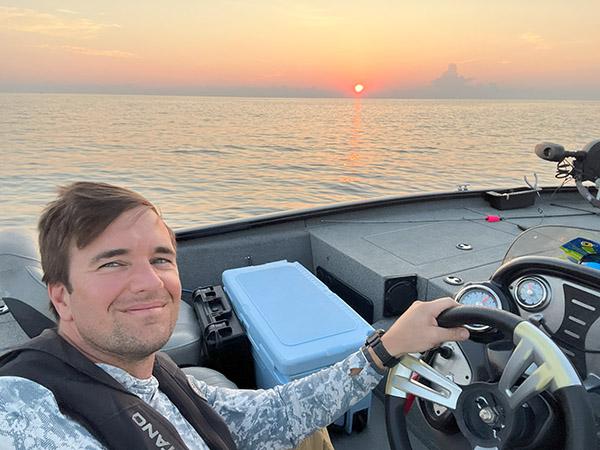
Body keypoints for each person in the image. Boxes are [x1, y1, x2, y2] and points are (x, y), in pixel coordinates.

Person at [0, 182, 469, 450]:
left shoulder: (151, 372)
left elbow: (268, 414)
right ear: (61, 296)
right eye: (113, 262)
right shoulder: (24, 413)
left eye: (160, 259)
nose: (149, 282)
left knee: (311, 433)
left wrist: (384, 351)